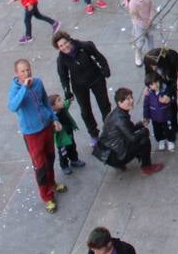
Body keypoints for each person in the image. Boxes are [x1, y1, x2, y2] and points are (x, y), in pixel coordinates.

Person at [8, 58, 66, 212]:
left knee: (50, 157)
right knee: (40, 165)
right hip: (32, 133)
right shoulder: (15, 89)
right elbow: (13, 106)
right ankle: (46, 196)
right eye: (23, 71)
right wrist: (24, 89)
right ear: (17, 73)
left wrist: (54, 119)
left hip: (46, 127)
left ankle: (52, 183)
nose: (27, 73)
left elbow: (45, 103)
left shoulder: (38, 82)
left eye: (28, 69)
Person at [53, 30, 112, 145]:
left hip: (96, 79)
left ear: (69, 40)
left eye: (65, 43)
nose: (64, 47)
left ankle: (110, 129)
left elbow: (99, 57)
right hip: (79, 86)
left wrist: (105, 68)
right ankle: (94, 134)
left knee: (104, 105)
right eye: (60, 46)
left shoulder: (85, 46)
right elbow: (63, 76)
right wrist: (67, 91)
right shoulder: (61, 60)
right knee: (85, 111)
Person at [96, 87, 165, 175]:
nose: (131, 100)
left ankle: (124, 161)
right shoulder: (120, 119)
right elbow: (132, 138)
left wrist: (140, 124)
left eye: (131, 97)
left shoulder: (116, 113)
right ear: (119, 102)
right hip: (115, 156)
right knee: (144, 139)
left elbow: (127, 129)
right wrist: (143, 131)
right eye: (127, 99)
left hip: (108, 153)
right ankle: (146, 167)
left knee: (141, 133)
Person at [48, 92, 86, 174]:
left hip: (69, 133)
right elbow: (51, 129)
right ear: (53, 107)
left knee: (72, 147)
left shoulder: (62, 108)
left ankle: (74, 160)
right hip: (62, 139)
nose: (61, 101)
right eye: (59, 100)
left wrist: (69, 100)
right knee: (63, 152)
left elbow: (66, 103)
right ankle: (64, 166)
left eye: (60, 99)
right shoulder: (52, 117)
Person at [142, 70, 178, 151]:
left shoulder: (165, 89)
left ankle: (170, 141)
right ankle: (161, 140)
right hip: (155, 117)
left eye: (156, 82)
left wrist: (168, 100)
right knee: (157, 130)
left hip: (167, 116)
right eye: (152, 84)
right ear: (149, 86)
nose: (155, 85)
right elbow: (146, 106)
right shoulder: (148, 94)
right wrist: (146, 117)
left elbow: (173, 98)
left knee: (169, 128)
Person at [122, 0, 156, 68]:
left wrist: (150, 20)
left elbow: (152, 7)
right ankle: (138, 54)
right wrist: (145, 23)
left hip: (150, 22)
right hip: (139, 26)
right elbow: (136, 17)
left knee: (151, 39)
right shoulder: (133, 3)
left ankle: (152, 55)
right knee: (140, 42)